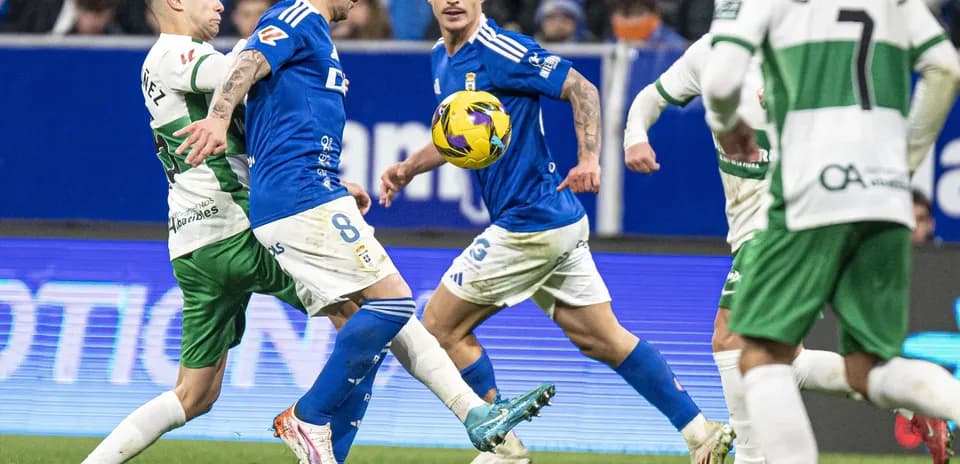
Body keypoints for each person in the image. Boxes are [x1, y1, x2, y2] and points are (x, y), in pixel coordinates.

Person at [90, 1, 553, 463]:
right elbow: (251, 66)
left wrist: (324, 172)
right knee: (375, 316)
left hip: (194, 243)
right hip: (239, 229)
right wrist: (311, 68)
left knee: (194, 395)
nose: (220, 4)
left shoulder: (157, 66)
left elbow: (251, 118)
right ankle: (459, 418)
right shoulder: (180, 54)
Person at [379, 1, 734, 463]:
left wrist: (589, 160)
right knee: (603, 338)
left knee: (439, 329)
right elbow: (461, 136)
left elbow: (581, 87)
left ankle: (504, 449)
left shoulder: (500, 47)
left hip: (529, 223)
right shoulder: (440, 58)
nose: (452, 2)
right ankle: (700, 431)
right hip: (554, 221)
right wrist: (409, 167)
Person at [624, 32, 953, 464]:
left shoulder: (812, 52)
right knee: (784, 361)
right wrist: (636, 135)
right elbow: (650, 96)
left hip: (792, 223)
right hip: (751, 228)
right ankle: (921, 403)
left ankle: (749, 456)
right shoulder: (711, 52)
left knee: (730, 339)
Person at [609, 0, 685, 45]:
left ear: (654, 13)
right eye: (625, 14)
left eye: (637, 13)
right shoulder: (609, 46)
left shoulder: (674, 45)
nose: (631, 22)